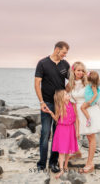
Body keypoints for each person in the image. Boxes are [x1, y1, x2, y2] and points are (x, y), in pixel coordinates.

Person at [35, 41, 70, 173]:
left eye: (66, 53)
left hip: (60, 105)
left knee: (58, 134)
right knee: (45, 133)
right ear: (56, 49)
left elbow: (71, 81)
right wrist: (41, 102)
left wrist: (65, 93)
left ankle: (53, 163)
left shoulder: (65, 64)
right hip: (47, 104)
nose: (65, 55)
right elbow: (37, 83)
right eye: (64, 52)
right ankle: (41, 164)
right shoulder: (43, 63)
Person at [67, 62, 100, 174]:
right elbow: (64, 94)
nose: (80, 73)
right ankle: (77, 152)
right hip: (77, 111)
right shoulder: (71, 84)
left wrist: (90, 103)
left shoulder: (88, 81)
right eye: (78, 70)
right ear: (73, 71)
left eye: (82, 70)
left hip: (89, 110)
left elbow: (98, 93)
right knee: (74, 133)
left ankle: (90, 163)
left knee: (90, 137)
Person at [46, 90, 79, 179]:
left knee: (68, 149)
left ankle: (66, 165)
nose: (68, 95)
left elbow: (76, 119)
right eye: (65, 94)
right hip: (62, 130)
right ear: (61, 98)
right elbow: (56, 118)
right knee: (61, 151)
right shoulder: (60, 107)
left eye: (67, 94)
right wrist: (50, 112)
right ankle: (61, 169)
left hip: (71, 129)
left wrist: (77, 131)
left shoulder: (73, 105)